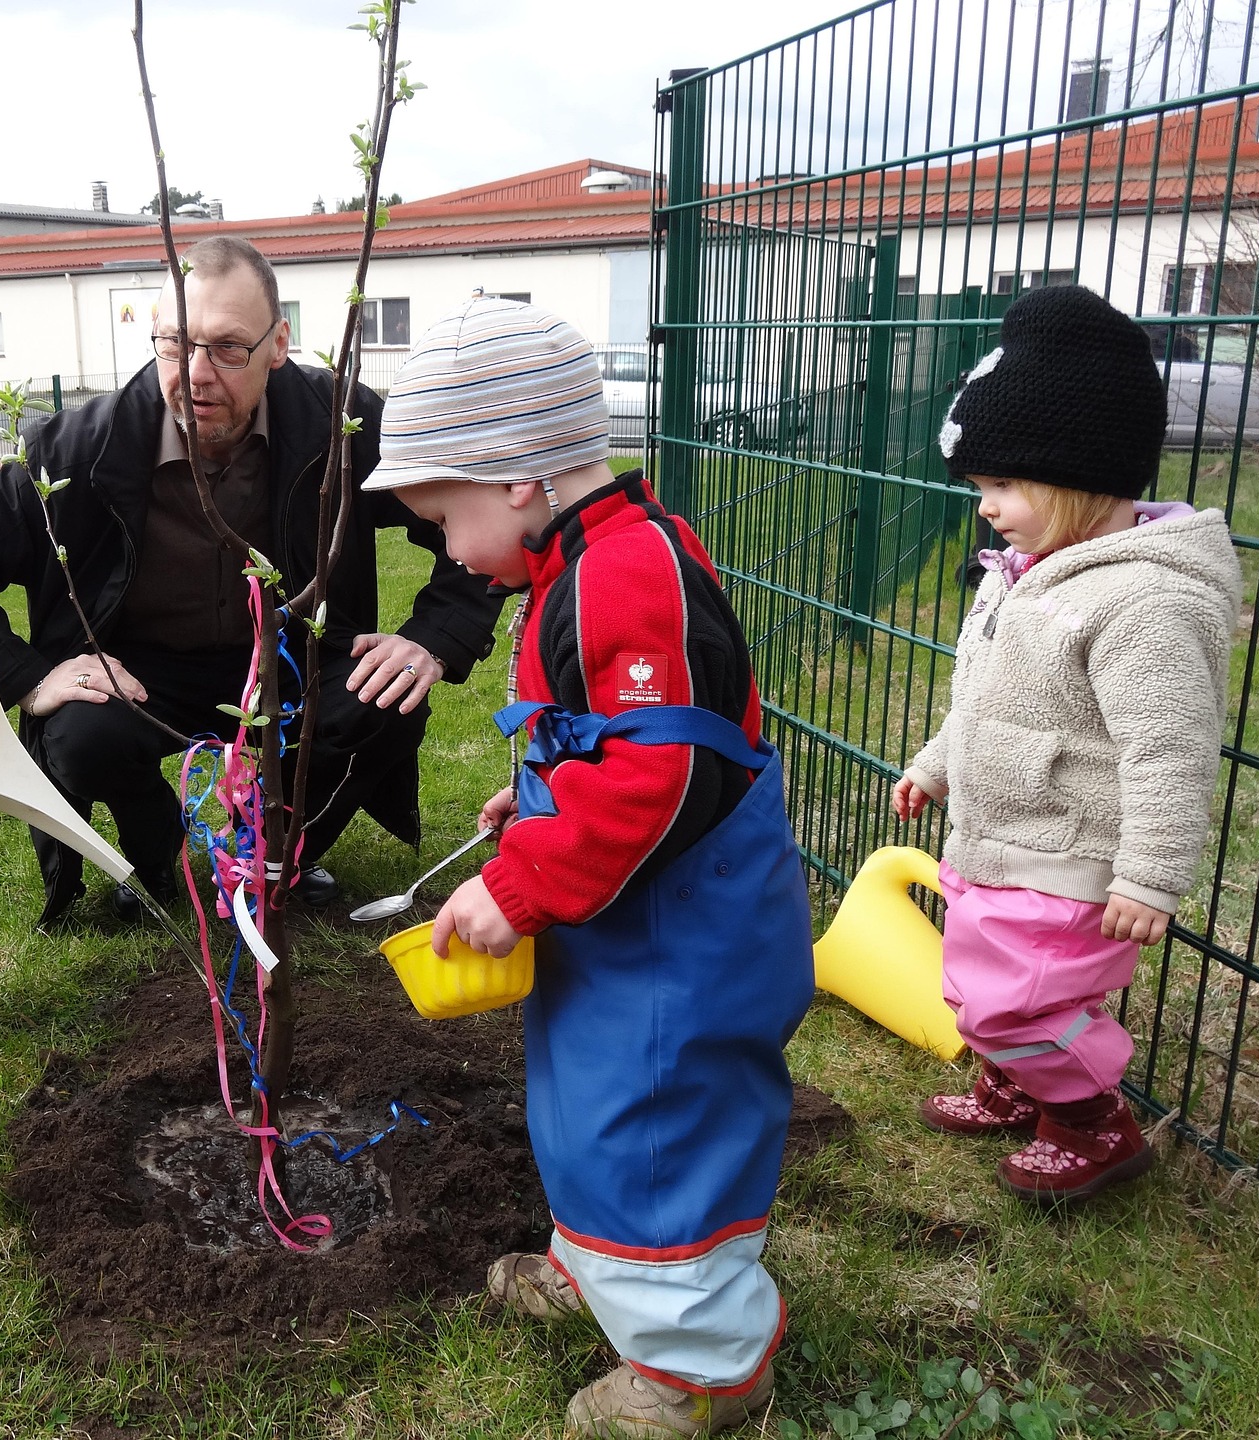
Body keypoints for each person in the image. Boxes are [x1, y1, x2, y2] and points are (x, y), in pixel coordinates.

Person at [371, 299, 813, 1438]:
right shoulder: (589, 556)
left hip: (681, 935)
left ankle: (699, 1366)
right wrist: (533, 797)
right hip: (626, 914)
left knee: (656, 1125)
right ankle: (604, 1265)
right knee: (591, 1105)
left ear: (518, 480)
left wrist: (518, 881)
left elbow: (659, 778)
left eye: (445, 517)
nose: (447, 550)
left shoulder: (620, 576)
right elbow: (617, 744)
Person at [0, 237, 505, 925]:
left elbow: (477, 513)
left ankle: (277, 851)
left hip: (290, 663)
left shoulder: (340, 428)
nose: (196, 373)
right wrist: (26, 674)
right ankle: (158, 850)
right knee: (81, 736)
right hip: (141, 672)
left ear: (278, 344)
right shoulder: (78, 450)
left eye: (228, 348)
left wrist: (435, 636)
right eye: (175, 344)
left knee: (382, 699)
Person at [895, 284, 1241, 1203]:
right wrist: (936, 763)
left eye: (1004, 486)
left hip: (1072, 855)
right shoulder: (1026, 575)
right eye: (981, 488)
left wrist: (1149, 875)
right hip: (1003, 840)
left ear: (1080, 474)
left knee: (1023, 1002)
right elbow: (986, 698)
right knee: (980, 987)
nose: (985, 509)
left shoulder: (1142, 603)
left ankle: (1095, 1125)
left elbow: (1170, 748)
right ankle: (1015, 1082)